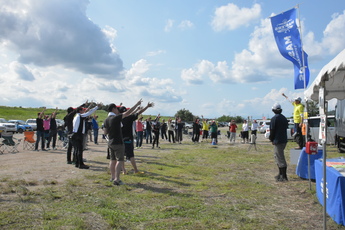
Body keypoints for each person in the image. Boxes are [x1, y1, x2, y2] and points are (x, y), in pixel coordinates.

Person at [103, 99, 142, 185]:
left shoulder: (106, 120)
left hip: (110, 142)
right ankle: (117, 179)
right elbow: (128, 113)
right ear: (113, 109)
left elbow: (105, 132)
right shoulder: (116, 118)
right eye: (116, 109)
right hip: (118, 142)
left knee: (112, 160)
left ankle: (112, 177)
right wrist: (137, 104)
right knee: (119, 160)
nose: (117, 110)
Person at [72, 104, 99, 169]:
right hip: (79, 134)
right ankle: (80, 164)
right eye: (83, 110)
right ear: (80, 111)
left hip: (74, 134)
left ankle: (77, 163)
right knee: (80, 150)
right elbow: (89, 112)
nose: (84, 112)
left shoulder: (76, 117)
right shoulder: (80, 116)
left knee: (77, 149)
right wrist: (96, 107)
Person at [269, 103, 289, 182]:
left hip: (278, 140)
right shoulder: (284, 118)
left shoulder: (274, 118)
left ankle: (283, 176)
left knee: (280, 158)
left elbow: (272, 130)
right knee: (277, 157)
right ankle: (280, 174)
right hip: (283, 139)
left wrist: (271, 139)